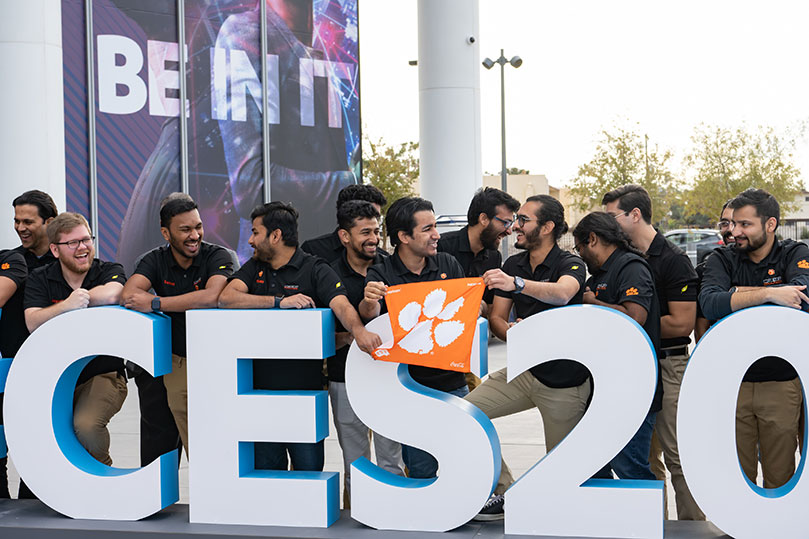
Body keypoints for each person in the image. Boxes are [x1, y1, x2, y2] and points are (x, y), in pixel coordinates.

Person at [218, 201, 381, 472]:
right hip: (258, 394)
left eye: (255, 232)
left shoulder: (315, 268)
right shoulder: (255, 268)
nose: (250, 240)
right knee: (268, 474)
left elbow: (341, 304)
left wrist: (359, 331)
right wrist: (278, 301)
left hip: (305, 393)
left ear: (276, 235)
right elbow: (226, 298)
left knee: (308, 475)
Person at [469, 195, 589, 521]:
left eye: (523, 220)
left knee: (562, 469)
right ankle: (504, 493)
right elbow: (497, 319)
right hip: (524, 373)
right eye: (515, 220)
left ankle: (565, 518)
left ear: (547, 227)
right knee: (465, 414)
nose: (515, 227)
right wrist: (515, 334)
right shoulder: (513, 264)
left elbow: (564, 293)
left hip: (565, 383)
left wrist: (518, 285)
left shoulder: (570, 263)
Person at [602, 185, 702, 520]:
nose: (606, 223)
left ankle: (692, 526)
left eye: (611, 215)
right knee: (644, 458)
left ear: (635, 215)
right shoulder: (617, 259)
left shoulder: (673, 259)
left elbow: (681, 324)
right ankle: (652, 524)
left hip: (668, 365)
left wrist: (630, 317)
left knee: (677, 455)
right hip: (631, 368)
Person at [699, 188, 809, 488]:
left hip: (781, 381)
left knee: (781, 476)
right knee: (736, 479)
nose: (735, 231)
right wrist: (772, 292)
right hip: (732, 382)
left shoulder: (795, 253)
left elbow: (803, 296)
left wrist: (735, 293)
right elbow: (709, 302)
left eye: (745, 224)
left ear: (770, 225)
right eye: (733, 224)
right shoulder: (721, 257)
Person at [359, 196, 465, 479]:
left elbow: (466, 312)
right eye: (428, 228)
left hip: (453, 385)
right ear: (404, 236)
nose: (436, 235)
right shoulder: (382, 272)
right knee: (421, 469)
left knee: (462, 459)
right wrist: (369, 300)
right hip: (410, 390)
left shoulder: (448, 264)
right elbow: (371, 316)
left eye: (435, 226)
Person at [121, 194, 234, 460]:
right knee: (165, 441)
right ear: (165, 233)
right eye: (185, 229)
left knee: (211, 440)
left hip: (217, 361)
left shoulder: (218, 255)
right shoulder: (153, 260)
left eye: (198, 227)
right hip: (175, 361)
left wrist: (158, 302)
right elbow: (129, 294)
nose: (195, 235)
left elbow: (212, 297)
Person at [24, 212, 128, 467]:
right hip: (55, 377)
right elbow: (32, 321)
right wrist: (67, 306)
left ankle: (102, 475)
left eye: (86, 240)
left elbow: (115, 293)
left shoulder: (108, 270)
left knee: (86, 426)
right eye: (73, 243)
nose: (83, 248)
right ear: (55, 250)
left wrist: (84, 298)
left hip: (103, 375)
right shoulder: (40, 277)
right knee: (40, 433)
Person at [573, 212, 662, 481]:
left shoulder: (631, 267)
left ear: (593, 239)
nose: (581, 256)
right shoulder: (598, 275)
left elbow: (635, 317)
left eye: (579, 248)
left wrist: (592, 303)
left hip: (634, 387)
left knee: (629, 465)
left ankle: (644, 521)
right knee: (596, 464)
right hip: (604, 386)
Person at [327, 200, 404, 507]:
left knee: (391, 458)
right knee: (354, 462)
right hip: (343, 380)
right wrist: (349, 336)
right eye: (365, 232)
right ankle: (361, 515)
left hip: (388, 378)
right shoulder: (327, 273)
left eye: (376, 230)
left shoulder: (389, 267)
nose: (373, 238)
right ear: (344, 236)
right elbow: (320, 336)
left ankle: (395, 515)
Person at [1, 190, 57, 498]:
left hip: (47, 370)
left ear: (49, 222)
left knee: (37, 445)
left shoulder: (65, 262)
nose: (21, 227)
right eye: (16, 221)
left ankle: (32, 506)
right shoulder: (10, 260)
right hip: (8, 367)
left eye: (28, 221)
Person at [302, 184, 387, 264]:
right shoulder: (312, 251)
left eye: (377, 217)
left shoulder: (386, 261)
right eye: (367, 214)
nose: (373, 239)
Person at [694, 200, 734, 342]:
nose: (730, 229)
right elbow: (700, 330)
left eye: (737, 222)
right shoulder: (703, 271)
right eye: (724, 223)